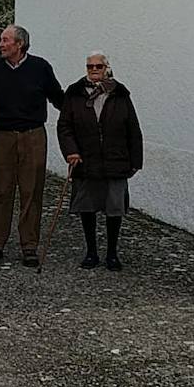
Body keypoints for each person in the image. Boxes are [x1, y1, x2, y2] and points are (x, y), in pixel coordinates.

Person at [0, 24, 64, 268]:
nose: (0, 44)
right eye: (1, 40)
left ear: (19, 44)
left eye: (5, 40)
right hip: (3, 137)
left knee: (32, 192)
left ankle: (29, 246)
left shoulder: (40, 68)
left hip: (33, 136)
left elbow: (59, 98)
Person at [56, 51, 143, 270]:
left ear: (107, 68)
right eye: (90, 66)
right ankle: (91, 252)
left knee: (114, 208)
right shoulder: (74, 93)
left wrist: (135, 161)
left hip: (115, 161)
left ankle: (112, 254)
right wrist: (71, 151)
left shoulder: (120, 94)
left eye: (99, 66)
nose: (94, 70)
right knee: (87, 207)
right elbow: (64, 126)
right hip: (86, 161)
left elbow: (133, 128)